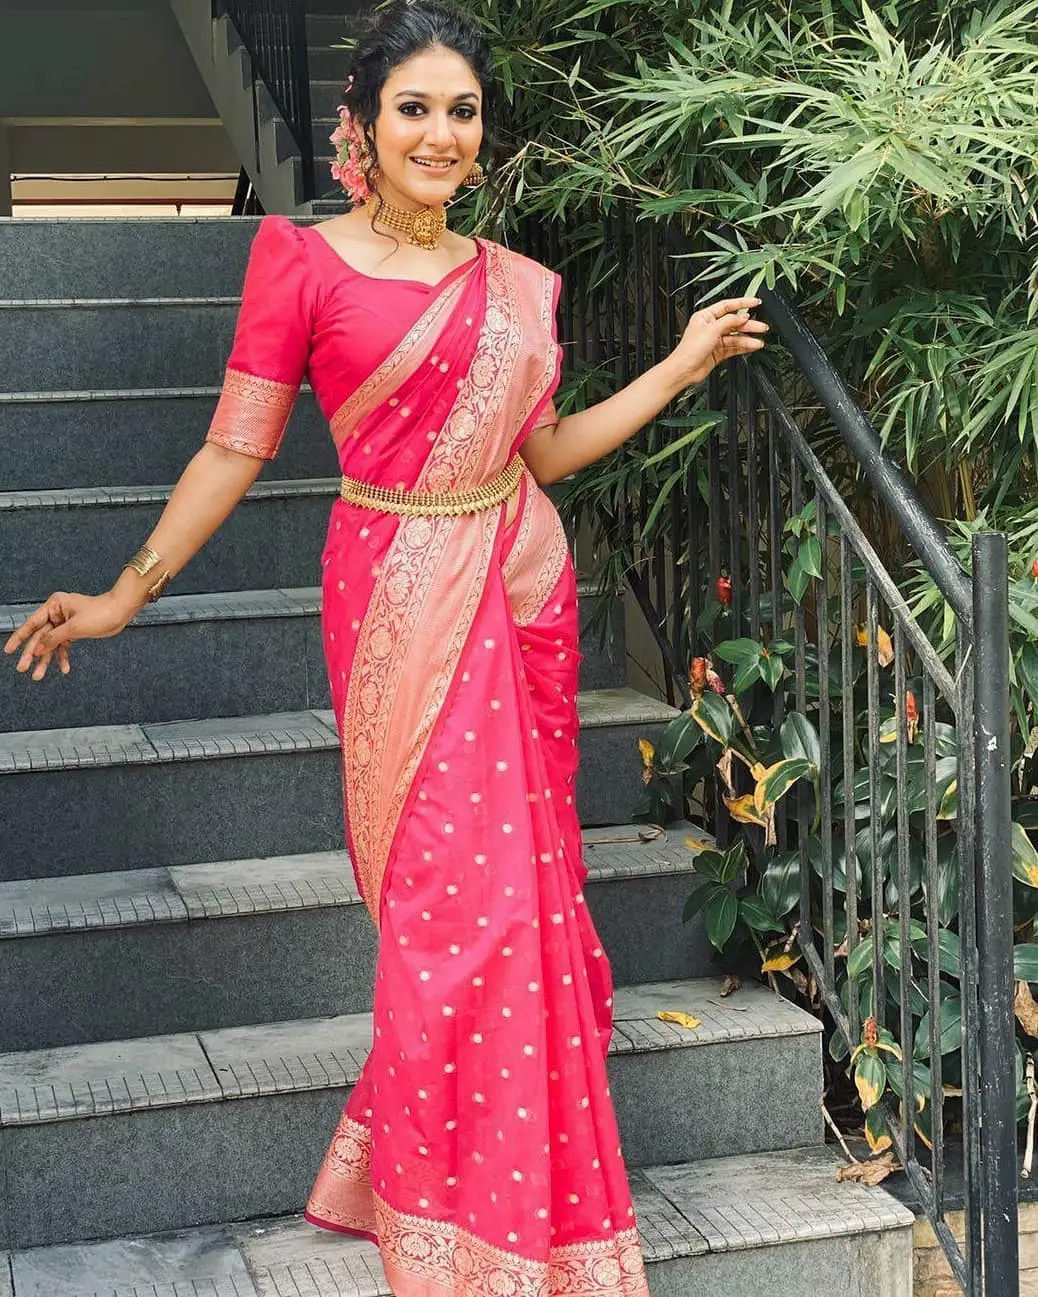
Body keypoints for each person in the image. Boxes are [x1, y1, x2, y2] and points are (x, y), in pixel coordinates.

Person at [4, 2, 766, 1291]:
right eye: (415, 106)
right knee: (440, 923)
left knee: (515, 913)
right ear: (361, 120)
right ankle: (443, 1221)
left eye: (462, 110)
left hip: (513, 587)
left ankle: (519, 1219)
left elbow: (543, 455)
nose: (441, 133)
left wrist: (681, 368)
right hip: (394, 602)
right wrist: (128, 591)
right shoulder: (299, 265)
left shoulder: (518, 287)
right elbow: (234, 447)